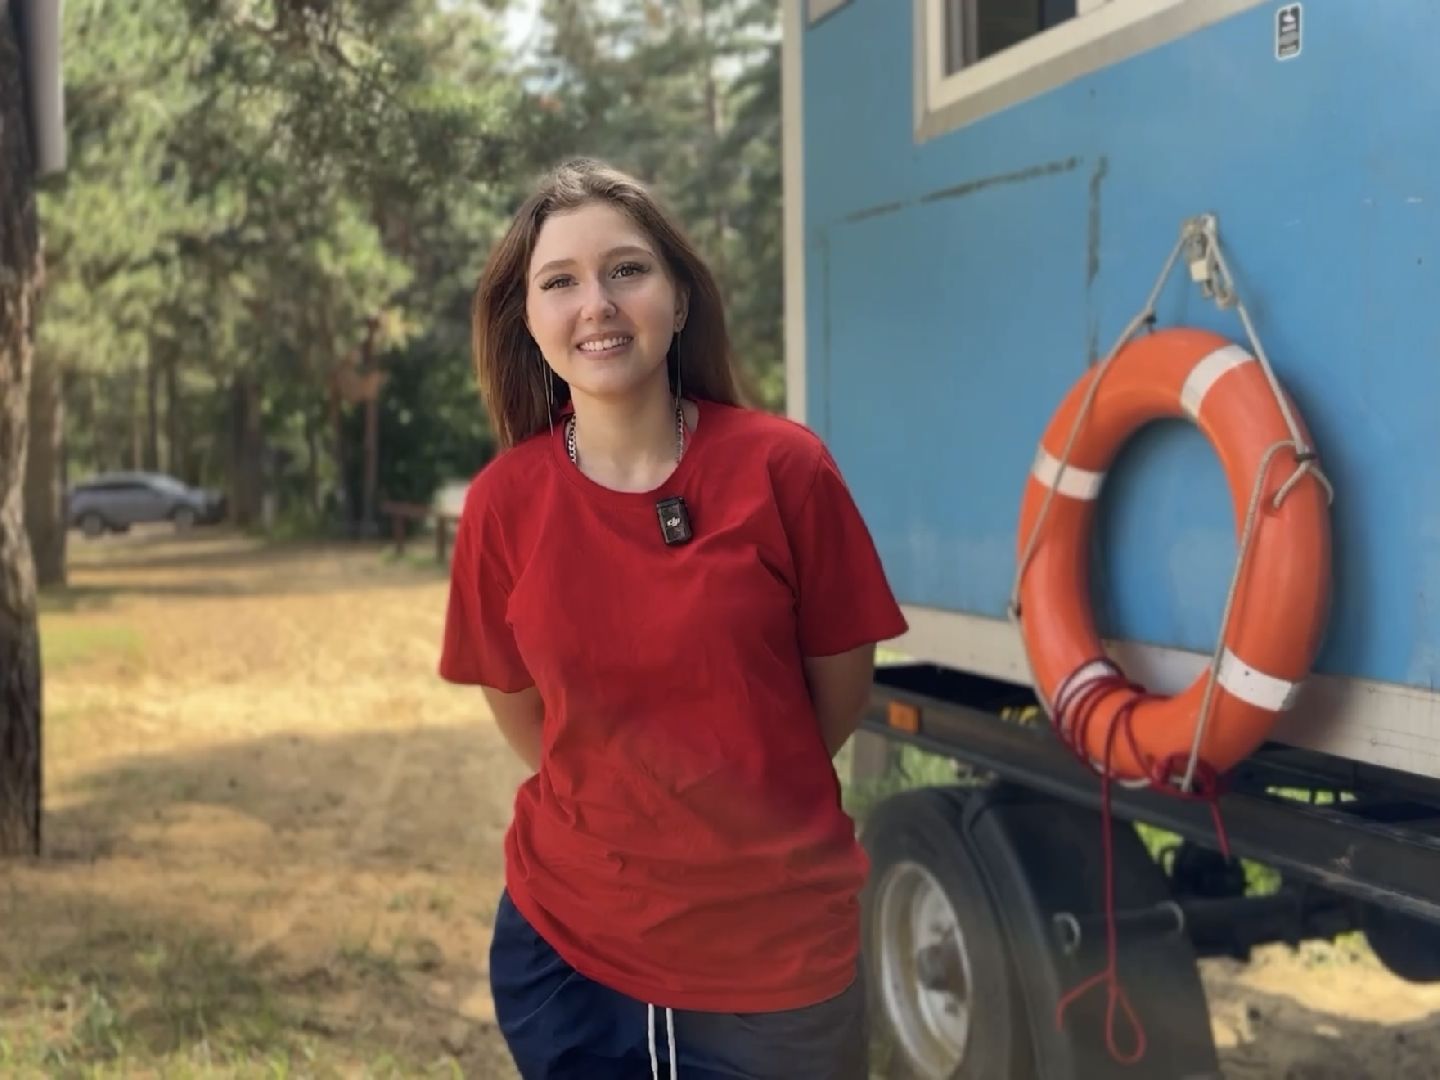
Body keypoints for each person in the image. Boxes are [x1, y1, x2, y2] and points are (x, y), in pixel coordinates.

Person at [440, 158, 907, 1080]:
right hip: (570, 955)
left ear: (680, 298)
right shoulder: (503, 506)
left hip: (774, 963)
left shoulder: (786, 470)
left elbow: (836, 697)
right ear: (527, 320)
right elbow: (527, 717)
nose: (597, 305)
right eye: (559, 282)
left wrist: (730, 795)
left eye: (627, 270)